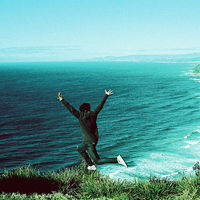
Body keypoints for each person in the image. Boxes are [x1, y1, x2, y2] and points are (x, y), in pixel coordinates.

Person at [58, 89, 128, 170]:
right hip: (92, 140)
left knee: (97, 161)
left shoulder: (80, 116)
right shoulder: (93, 114)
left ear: (82, 110)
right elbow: (100, 106)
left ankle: (117, 160)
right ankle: (91, 165)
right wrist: (106, 95)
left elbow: (71, 109)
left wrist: (62, 99)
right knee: (80, 149)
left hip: (90, 142)